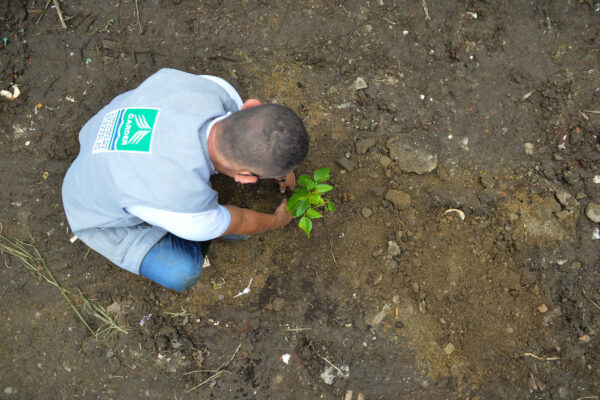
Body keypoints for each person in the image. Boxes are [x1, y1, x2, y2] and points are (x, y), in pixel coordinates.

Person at [62, 68, 309, 292]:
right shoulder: (177, 199)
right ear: (244, 177)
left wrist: (282, 169)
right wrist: (276, 221)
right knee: (182, 270)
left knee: (202, 220)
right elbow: (241, 220)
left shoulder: (214, 89)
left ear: (248, 106)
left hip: (102, 136)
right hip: (92, 207)